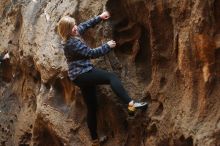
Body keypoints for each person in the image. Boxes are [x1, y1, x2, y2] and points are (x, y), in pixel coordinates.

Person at [57, 11, 147, 146]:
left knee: (92, 107)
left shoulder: (72, 34)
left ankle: (94, 140)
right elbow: (92, 54)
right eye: (72, 27)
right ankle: (130, 103)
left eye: (74, 25)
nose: (76, 28)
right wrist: (107, 46)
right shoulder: (71, 44)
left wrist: (99, 17)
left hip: (79, 74)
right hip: (82, 74)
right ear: (67, 31)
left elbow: (84, 26)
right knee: (111, 77)